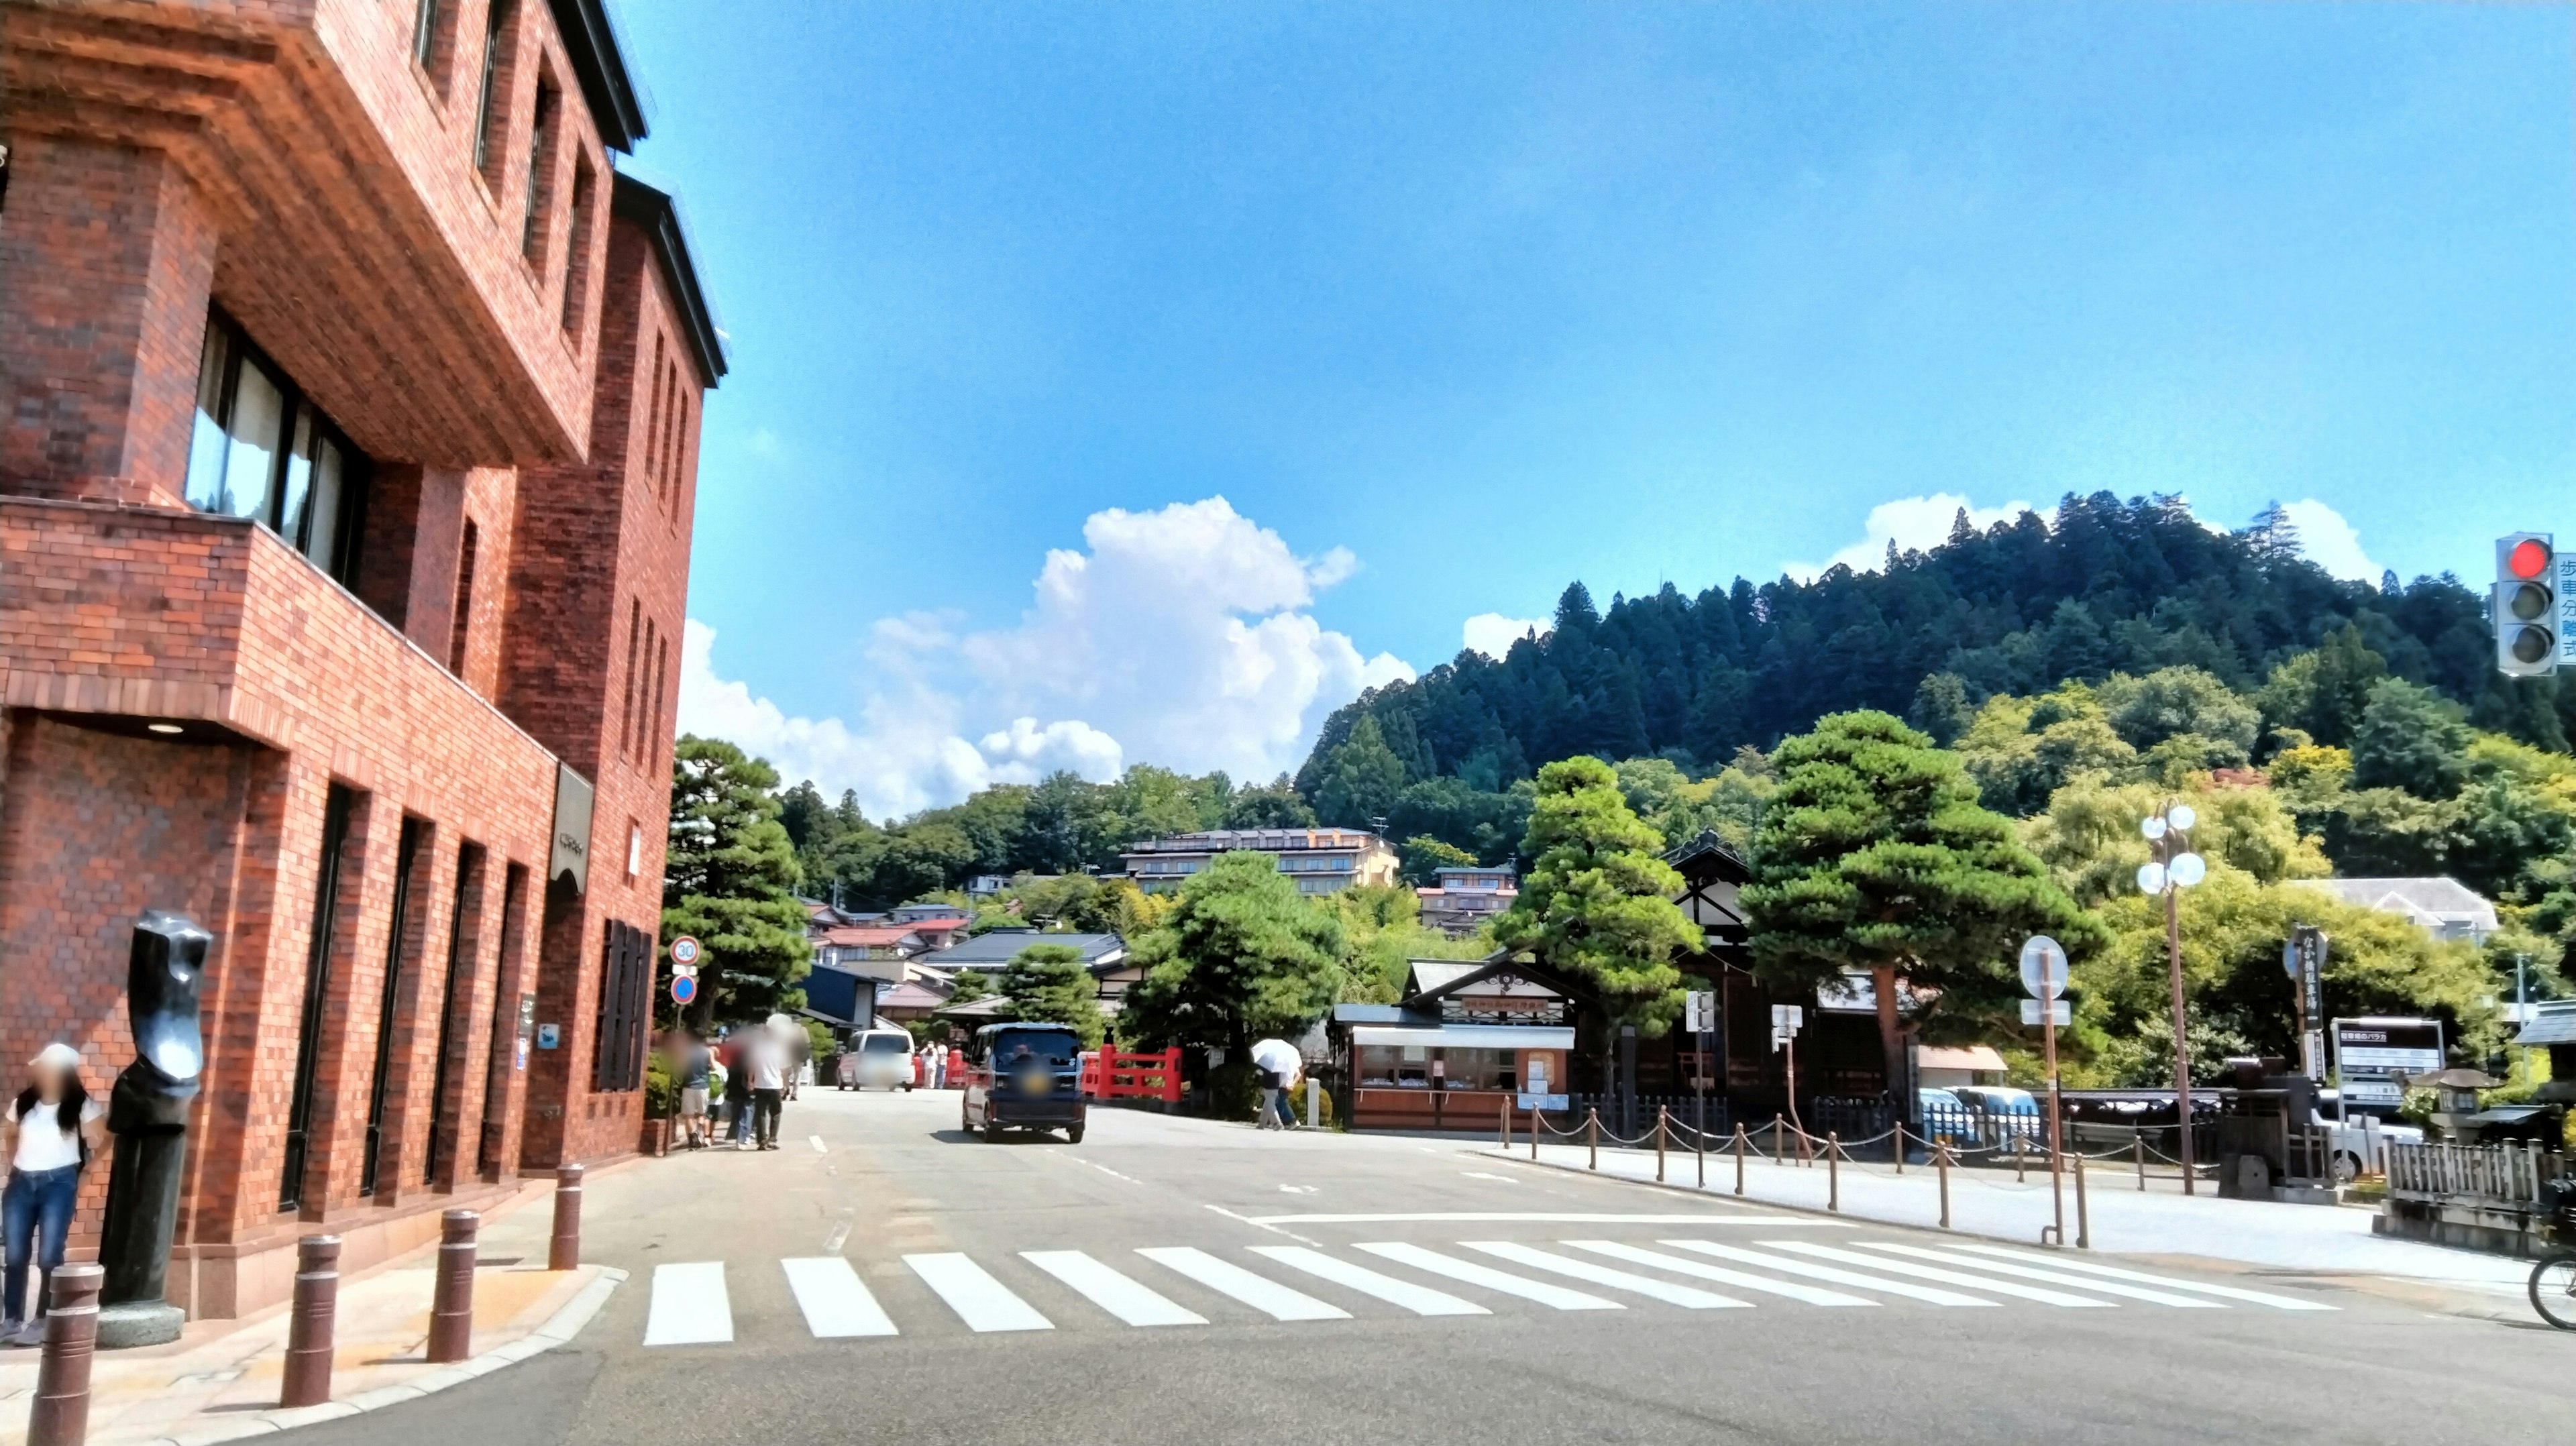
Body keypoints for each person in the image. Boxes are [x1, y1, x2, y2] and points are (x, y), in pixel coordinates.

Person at [3, 1044, 104, 1345]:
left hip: (58, 1184)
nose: (43, 1073)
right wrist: (14, 1164)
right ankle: (11, 1320)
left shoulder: (80, 1105)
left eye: (49, 1069)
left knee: (49, 1255)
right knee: (16, 1255)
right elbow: (8, 1132)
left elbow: (108, 1135)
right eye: (41, 1068)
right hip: (21, 1183)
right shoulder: (23, 1102)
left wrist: (88, 1171)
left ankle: (44, 1320)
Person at [750, 1015, 790, 1150]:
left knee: (761, 1113)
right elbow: (784, 1069)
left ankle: (762, 1141)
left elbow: (752, 1066)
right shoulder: (780, 1048)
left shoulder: (758, 1047)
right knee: (776, 1113)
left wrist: (751, 1081)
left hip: (760, 1084)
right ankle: (772, 1140)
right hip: (775, 1086)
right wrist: (786, 1085)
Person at [676, 1032, 713, 1149]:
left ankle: (692, 1138)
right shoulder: (708, 1052)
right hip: (703, 1086)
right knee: (702, 1114)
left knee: (689, 1115)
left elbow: (681, 1067)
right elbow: (713, 1066)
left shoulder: (688, 1051)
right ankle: (699, 1133)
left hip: (689, 1085)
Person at [719, 1027, 754, 1148]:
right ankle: (743, 1138)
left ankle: (736, 1135)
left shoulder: (735, 1058)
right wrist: (751, 1083)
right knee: (747, 1111)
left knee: (737, 1112)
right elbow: (751, 1071)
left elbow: (730, 1073)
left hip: (735, 1089)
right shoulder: (749, 1056)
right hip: (746, 1088)